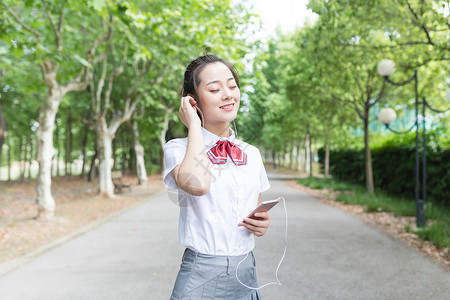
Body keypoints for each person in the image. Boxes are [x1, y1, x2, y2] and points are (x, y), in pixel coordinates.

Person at [163, 54, 271, 300]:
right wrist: (193, 126)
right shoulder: (178, 148)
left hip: (247, 273)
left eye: (232, 86)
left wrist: (261, 224)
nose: (228, 94)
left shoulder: (251, 154)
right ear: (193, 102)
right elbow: (198, 185)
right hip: (201, 275)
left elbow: (255, 210)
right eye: (214, 89)